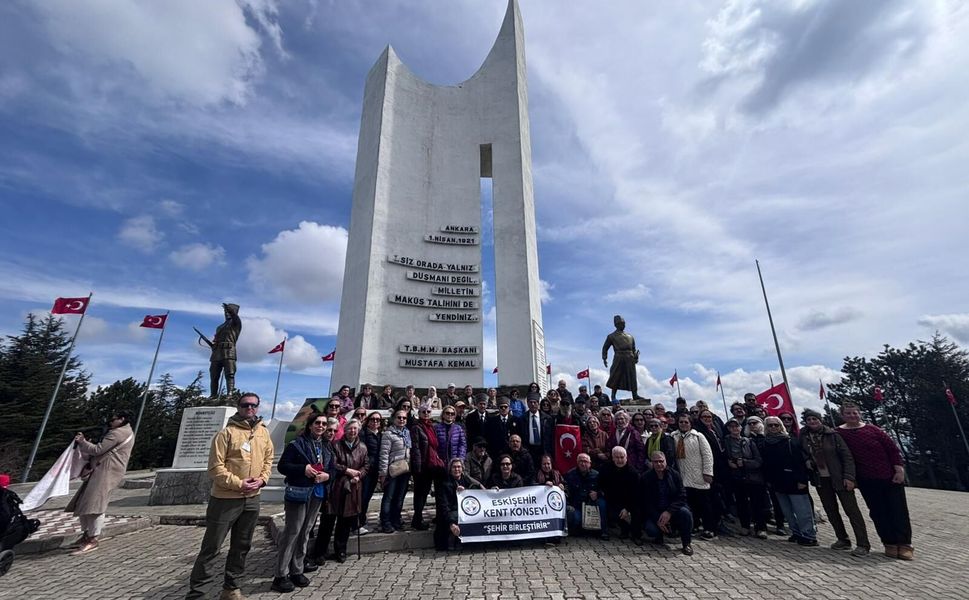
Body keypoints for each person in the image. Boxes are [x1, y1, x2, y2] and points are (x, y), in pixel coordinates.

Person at [186, 393, 273, 600]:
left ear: (258, 407)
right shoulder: (226, 433)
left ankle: (231, 588)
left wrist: (262, 479)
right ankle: (198, 593)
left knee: (242, 546)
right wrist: (238, 484)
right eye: (245, 405)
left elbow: (268, 459)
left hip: (252, 498)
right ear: (238, 407)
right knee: (212, 548)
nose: (250, 408)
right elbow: (215, 468)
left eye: (254, 405)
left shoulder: (263, 432)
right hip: (226, 499)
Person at [836, 402, 912, 560]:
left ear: (860, 413)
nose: (852, 415)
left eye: (855, 412)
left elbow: (892, 449)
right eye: (848, 413)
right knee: (878, 512)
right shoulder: (839, 433)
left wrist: (899, 469)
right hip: (866, 479)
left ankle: (904, 544)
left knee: (898, 510)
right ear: (842, 415)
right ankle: (889, 543)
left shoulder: (873, 429)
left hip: (890, 476)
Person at [272, 412, 333, 593]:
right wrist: (303, 469)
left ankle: (297, 569)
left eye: (323, 424)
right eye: (317, 423)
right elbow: (283, 466)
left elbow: (332, 468)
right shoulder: (297, 444)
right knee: (292, 532)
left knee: (306, 531)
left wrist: (327, 475)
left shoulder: (326, 446)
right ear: (309, 425)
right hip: (299, 492)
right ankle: (280, 574)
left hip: (317, 493)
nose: (320, 426)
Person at [800, 408, 870, 556]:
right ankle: (842, 539)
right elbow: (804, 453)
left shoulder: (832, 435)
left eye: (815, 419)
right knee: (831, 511)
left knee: (852, 511)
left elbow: (847, 457)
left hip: (839, 478)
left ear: (820, 420)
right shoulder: (805, 437)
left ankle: (863, 544)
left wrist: (849, 477)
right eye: (809, 420)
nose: (812, 422)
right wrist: (807, 461)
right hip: (821, 479)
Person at [68, 410, 135, 555]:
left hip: (105, 472)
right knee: (85, 503)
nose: (111, 421)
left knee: (95, 505)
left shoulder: (117, 433)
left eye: (113, 419)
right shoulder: (126, 431)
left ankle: (92, 539)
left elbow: (98, 450)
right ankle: (87, 536)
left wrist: (82, 442)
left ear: (122, 419)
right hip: (104, 471)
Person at [314, 419, 368, 563]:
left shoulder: (362, 447)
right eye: (350, 428)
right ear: (345, 430)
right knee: (328, 522)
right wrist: (347, 470)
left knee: (345, 523)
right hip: (336, 488)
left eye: (356, 429)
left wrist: (359, 475)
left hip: (352, 488)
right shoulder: (335, 445)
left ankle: (340, 551)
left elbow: (366, 465)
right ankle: (319, 552)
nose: (353, 431)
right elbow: (332, 464)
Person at [761, 416, 817, 547]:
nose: (773, 428)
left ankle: (809, 535)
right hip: (778, 483)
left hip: (795, 481)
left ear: (781, 426)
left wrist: (802, 479)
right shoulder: (765, 443)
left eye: (776, 425)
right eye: (770, 425)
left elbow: (800, 462)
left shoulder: (791, 442)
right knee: (787, 511)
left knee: (802, 510)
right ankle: (796, 532)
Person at [670, 414, 716, 539]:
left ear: (690, 423)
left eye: (686, 422)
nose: (683, 424)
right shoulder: (673, 436)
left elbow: (707, 455)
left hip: (699, 475)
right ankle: (693, 525)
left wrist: (708, 472)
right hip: (683, 476)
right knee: (690, 504)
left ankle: (709, 528)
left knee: (704, 504)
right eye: (681, 422)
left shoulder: (699, 436)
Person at [639, 451, 694, 555]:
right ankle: (659, 535)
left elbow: (682, 496)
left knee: (686, 513)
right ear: (652, 463)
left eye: (661, 461)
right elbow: (645, 502)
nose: (659, 464)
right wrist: (657, 518)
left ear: (666, 461)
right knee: (651, 530)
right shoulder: (645, 478)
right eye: (656, 462)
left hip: (673, 510)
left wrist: (669, 512)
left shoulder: (675, 475)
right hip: (656, 511)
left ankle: (686, 543)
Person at [723, 418, 767, 539]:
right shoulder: (725, 442)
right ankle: (745, 526)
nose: (734, 429)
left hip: (752, 477)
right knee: (741, 503)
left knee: (757, 503)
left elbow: (758, 461)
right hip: (737, 477)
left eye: (736, 426)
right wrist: (729, 462)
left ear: (741, 428)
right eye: (731, 427)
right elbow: (724, 456)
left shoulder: (749, 441)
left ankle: (760, 528)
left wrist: (745, 463)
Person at [435, 458, 483, 551]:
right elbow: (444, 506)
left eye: (459, 467)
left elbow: (478, 491)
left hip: (465, 510)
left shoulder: (466, 479)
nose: (457, 469)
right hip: (451, 513)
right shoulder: (444, 483)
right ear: (450, 469)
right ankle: (453, 538)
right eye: (454, 467)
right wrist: (451, 523)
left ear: (462, 469)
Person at [377, 410, 412, 534]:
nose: (401, 419)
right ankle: (385, 521)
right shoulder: (388, 434)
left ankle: (396, 519)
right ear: (394, 418)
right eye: (399, 417)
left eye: (404, 418)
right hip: (392, 469)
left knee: (399, 497)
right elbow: (384, 454)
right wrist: (383, 473)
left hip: (405, 469)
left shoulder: (407, 433)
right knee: (389, 497)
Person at [409, 406, 442, 531]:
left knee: (424, 493)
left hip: (430, 464)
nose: (426, 414)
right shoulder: (416, 427)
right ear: (419, 414)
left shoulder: (431, 426)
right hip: (421, 465)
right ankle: (417, 519)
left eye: (428, 412)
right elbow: (416, 448)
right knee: (420, 494)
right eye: (423, 412)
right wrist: (417, 468)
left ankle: (417, 518)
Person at [564, 453, 608, 540]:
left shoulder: (597, 475)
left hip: (592, 504)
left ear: (590, 463)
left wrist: (597, 494)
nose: (583, 464)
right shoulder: (570, 474)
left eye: (585, 461)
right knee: (575, 518)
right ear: (577, 462)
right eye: (580, 461)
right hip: (577, 506)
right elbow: (566, 491)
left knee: (602, 503)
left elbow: (605, 490)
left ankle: (604, 531)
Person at [599, 447, 639, 540]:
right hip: (612, 500)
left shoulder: (633, 473)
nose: (619, 460)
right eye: (617, 457)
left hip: (629, 501)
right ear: (612, 458)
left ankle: (634, 533)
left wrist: (627, 508)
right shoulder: (606, 468)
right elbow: (600, 484)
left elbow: (636, 494)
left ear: (626, 457)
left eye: (622, 457)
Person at [205, 302, 242, 397]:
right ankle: (213, 395)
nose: (226, 313)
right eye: (225, 311)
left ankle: (230, 394)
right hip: (217, 353)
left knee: (229, 374)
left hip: (229, 351)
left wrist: (230, 310)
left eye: (228, 311)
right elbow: (216, 341)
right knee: (214, 376)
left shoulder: (236, 324)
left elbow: (235, 318)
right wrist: (213, 346)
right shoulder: (219, 327)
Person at [601, 314, 639, 403]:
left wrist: (635, 357)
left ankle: (635, 394)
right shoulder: (611, 336)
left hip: (629, 357)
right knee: (616, 375)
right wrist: (604, 358)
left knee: (632, 376)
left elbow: (633, 349)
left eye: (624, 323)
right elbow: (605, 347)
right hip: (619, 356)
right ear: (616, 325)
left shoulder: (630, 336)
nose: (623, 325)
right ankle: (613, 396)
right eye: (621, 323)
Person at [358, 411, 383, 534]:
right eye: (373, 419)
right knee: (362, 497)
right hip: (366, 470)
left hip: (375, 471)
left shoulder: (380, 435)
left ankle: (362, 520)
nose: (375, 422)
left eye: (378, 420)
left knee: (367, 497)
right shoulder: (363, 434)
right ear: (368, 421)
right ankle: (357, 523)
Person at [523, 396, 553, 467]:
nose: (533, 404)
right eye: (531, 402)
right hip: (529, 449)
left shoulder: (547, 418)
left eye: (535, 402)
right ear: (527, 404)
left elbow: (551, 436)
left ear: (538, 404)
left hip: (543, 449)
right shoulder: (522, 418)